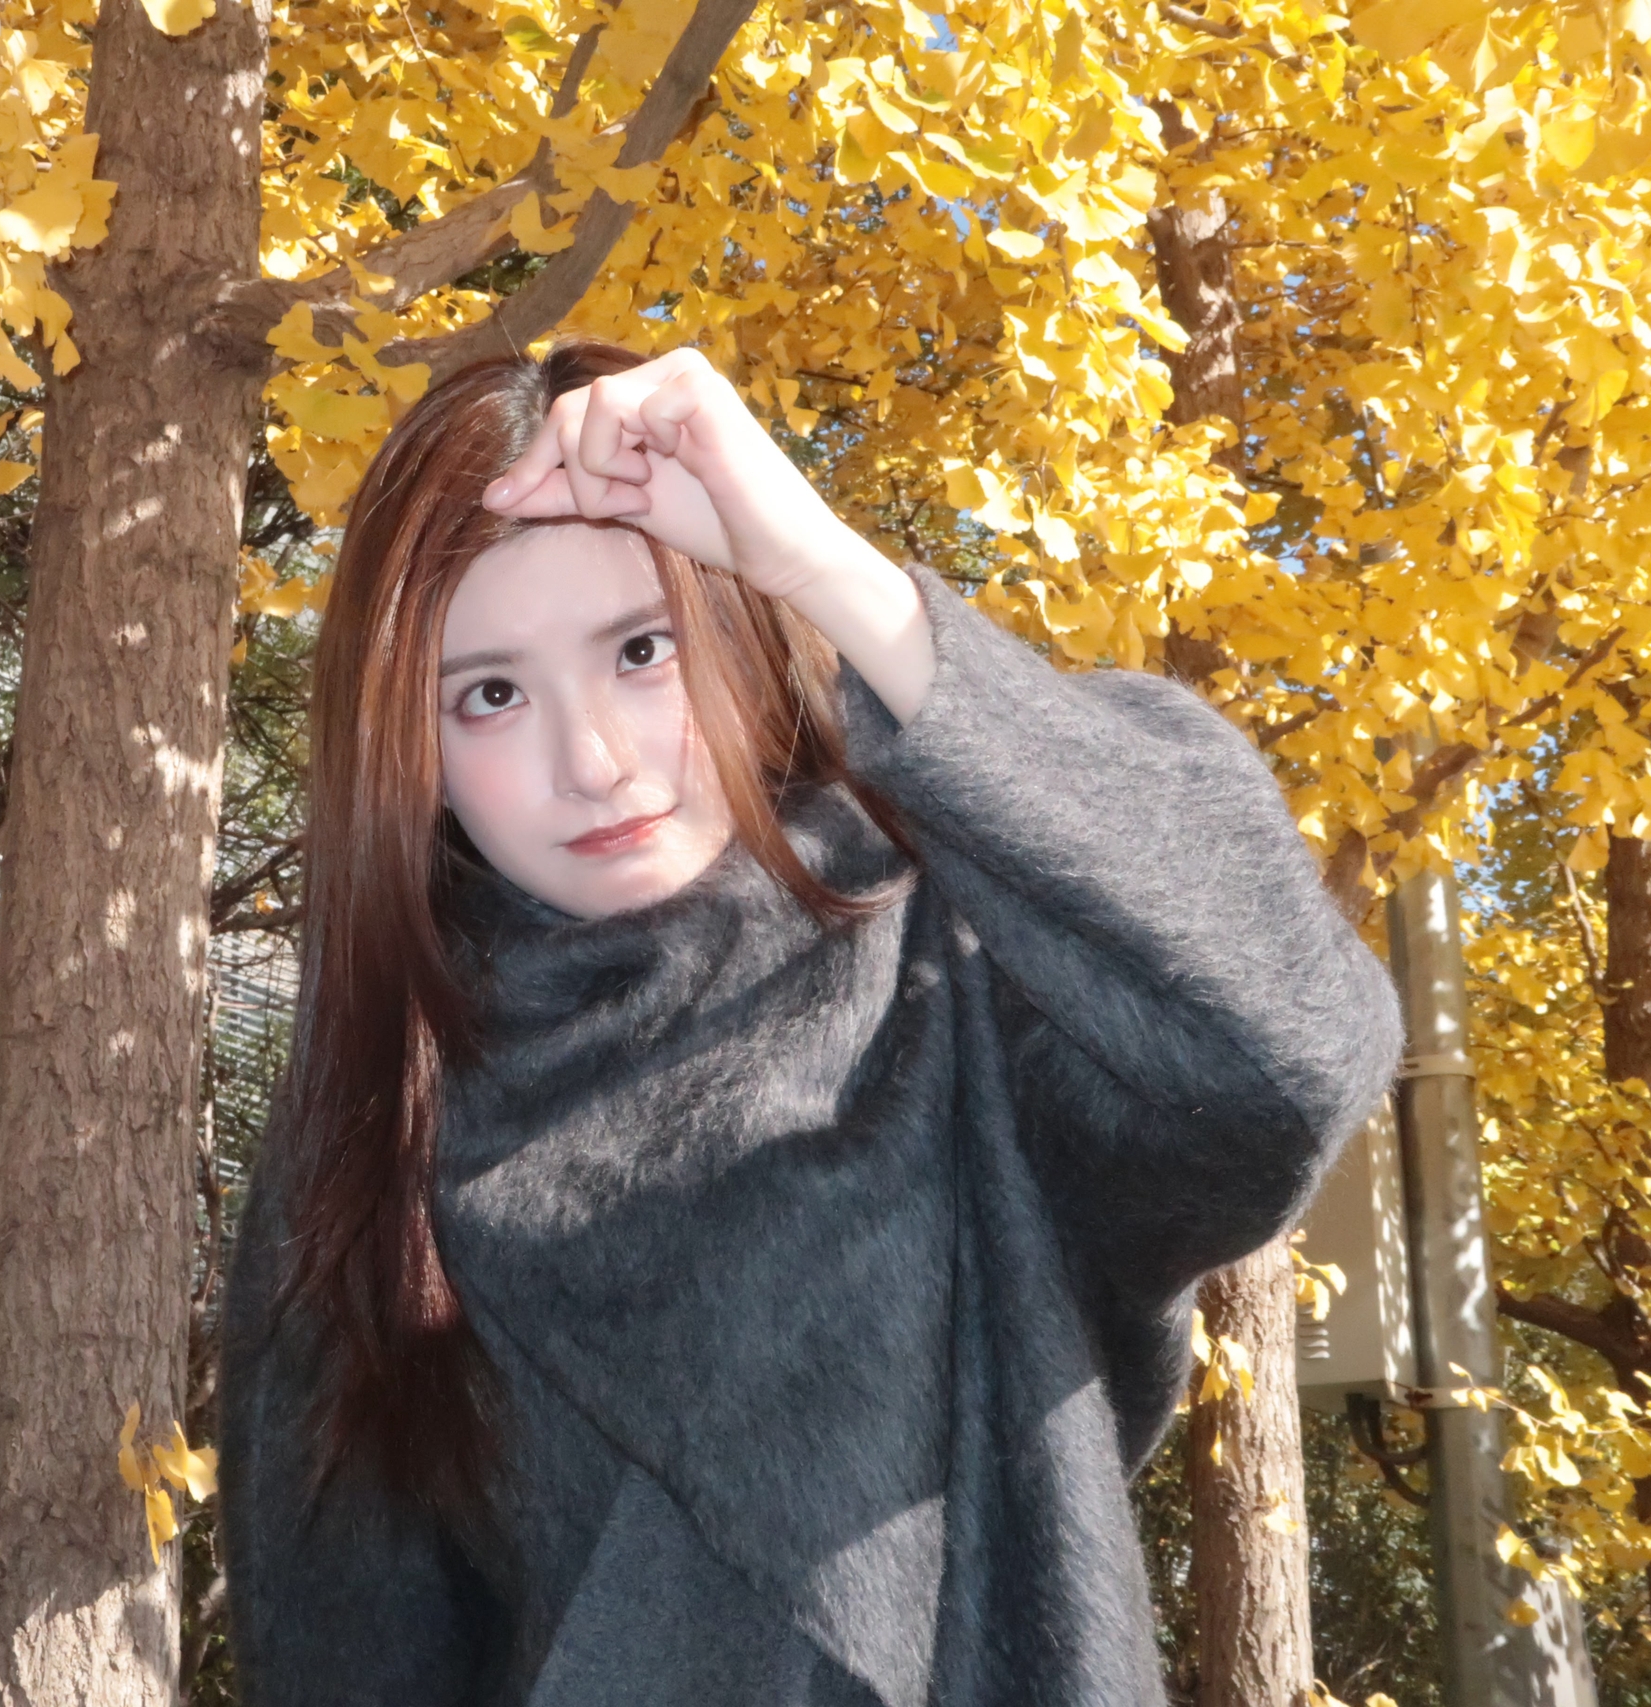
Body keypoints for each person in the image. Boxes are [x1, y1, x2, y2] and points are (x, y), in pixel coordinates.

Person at [217, 340, 1404, 1707]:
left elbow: (1281, 1059)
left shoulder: (960, 977)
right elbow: (344, 1659)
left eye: (643, 651)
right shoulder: (383, 1118)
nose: (591, 760)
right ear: (410, 753)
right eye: (489, 694)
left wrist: (830, 571)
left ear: (739, 637)